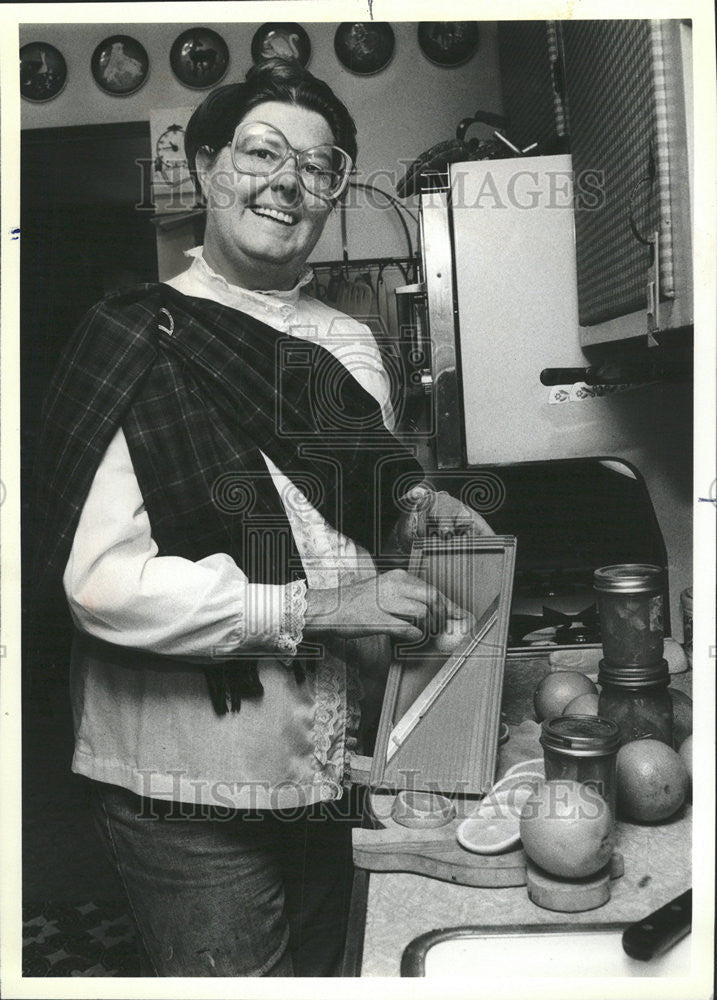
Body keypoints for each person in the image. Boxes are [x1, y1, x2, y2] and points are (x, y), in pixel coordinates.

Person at [33, 59, 492, 977]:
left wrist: (416, 508)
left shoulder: (346, 341)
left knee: (332, 977)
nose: (287, 182)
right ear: (207, 169)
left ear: (331, 194)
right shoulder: (131, 336)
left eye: (318, 167)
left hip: (329, 758)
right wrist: (316, 612)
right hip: (188, 777)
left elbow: (346, 520)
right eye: (260, 153)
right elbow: (100, 586)